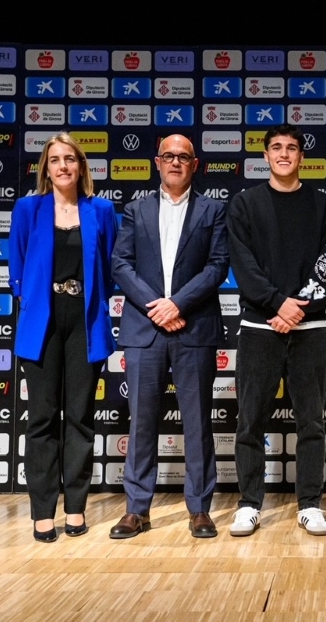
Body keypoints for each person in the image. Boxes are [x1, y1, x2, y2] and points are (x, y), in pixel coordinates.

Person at [110, 134, 229, 540]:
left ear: (196, 166)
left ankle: (199, 509)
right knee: (142, 421)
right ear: (157, 163)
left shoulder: (213, 209)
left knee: (197, 424)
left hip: (193, 328)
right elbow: (121, 264)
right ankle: (136, 510)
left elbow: (217, 268)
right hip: (145, 330)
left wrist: (176, 304)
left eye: (184, 157)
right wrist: (155, 306)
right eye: (169, 156)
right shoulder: (135, 209)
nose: (176, 162)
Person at [226, 124, 326, 537]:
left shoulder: (324, 205)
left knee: (311, 421)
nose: (284, 154)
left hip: (309, 328)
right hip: (259, 326)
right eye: (276, 147)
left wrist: (297, 308)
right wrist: (278, 304)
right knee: (250, 421)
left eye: (292, 148)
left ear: (301, 157)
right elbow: (243, 265)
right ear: (266, 156)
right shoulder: (244, 204)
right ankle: (249, 504)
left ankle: (310, 503)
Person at [9, 132, 117, 542]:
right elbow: (17, 265)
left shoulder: (101, 210)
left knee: (80, 417)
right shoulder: (28, 208)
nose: (63, 166)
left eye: (70, 159)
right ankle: (41, 511)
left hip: (85, 321)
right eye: (55, 160)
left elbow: (108, 269)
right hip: (42, 321)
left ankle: (75, 507)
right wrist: (36, 299)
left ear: (81, 165)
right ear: (46, 168)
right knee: (40, 418)